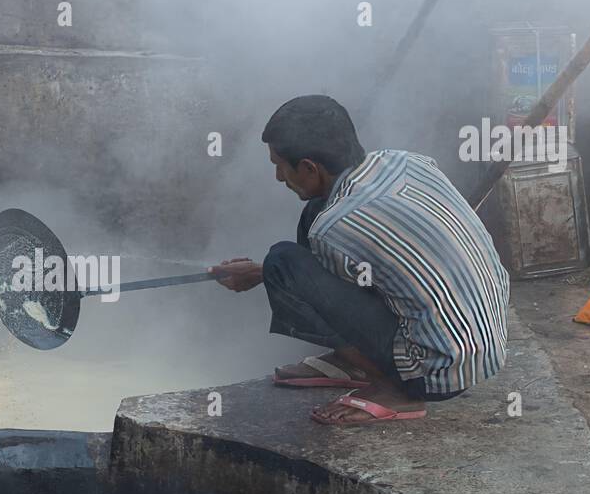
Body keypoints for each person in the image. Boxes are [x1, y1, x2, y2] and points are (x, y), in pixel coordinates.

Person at [212, 94, 509, 425]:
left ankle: (393, 389)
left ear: (309, 167)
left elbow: (310, 280)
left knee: (283, 260)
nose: (279, 177)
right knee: (314, 212)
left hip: (434, 374)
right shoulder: (407, 161)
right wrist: (258, 272)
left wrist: (269, 270)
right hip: (485, 345)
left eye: (279, 166)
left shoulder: (334, 227)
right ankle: (350, 361)